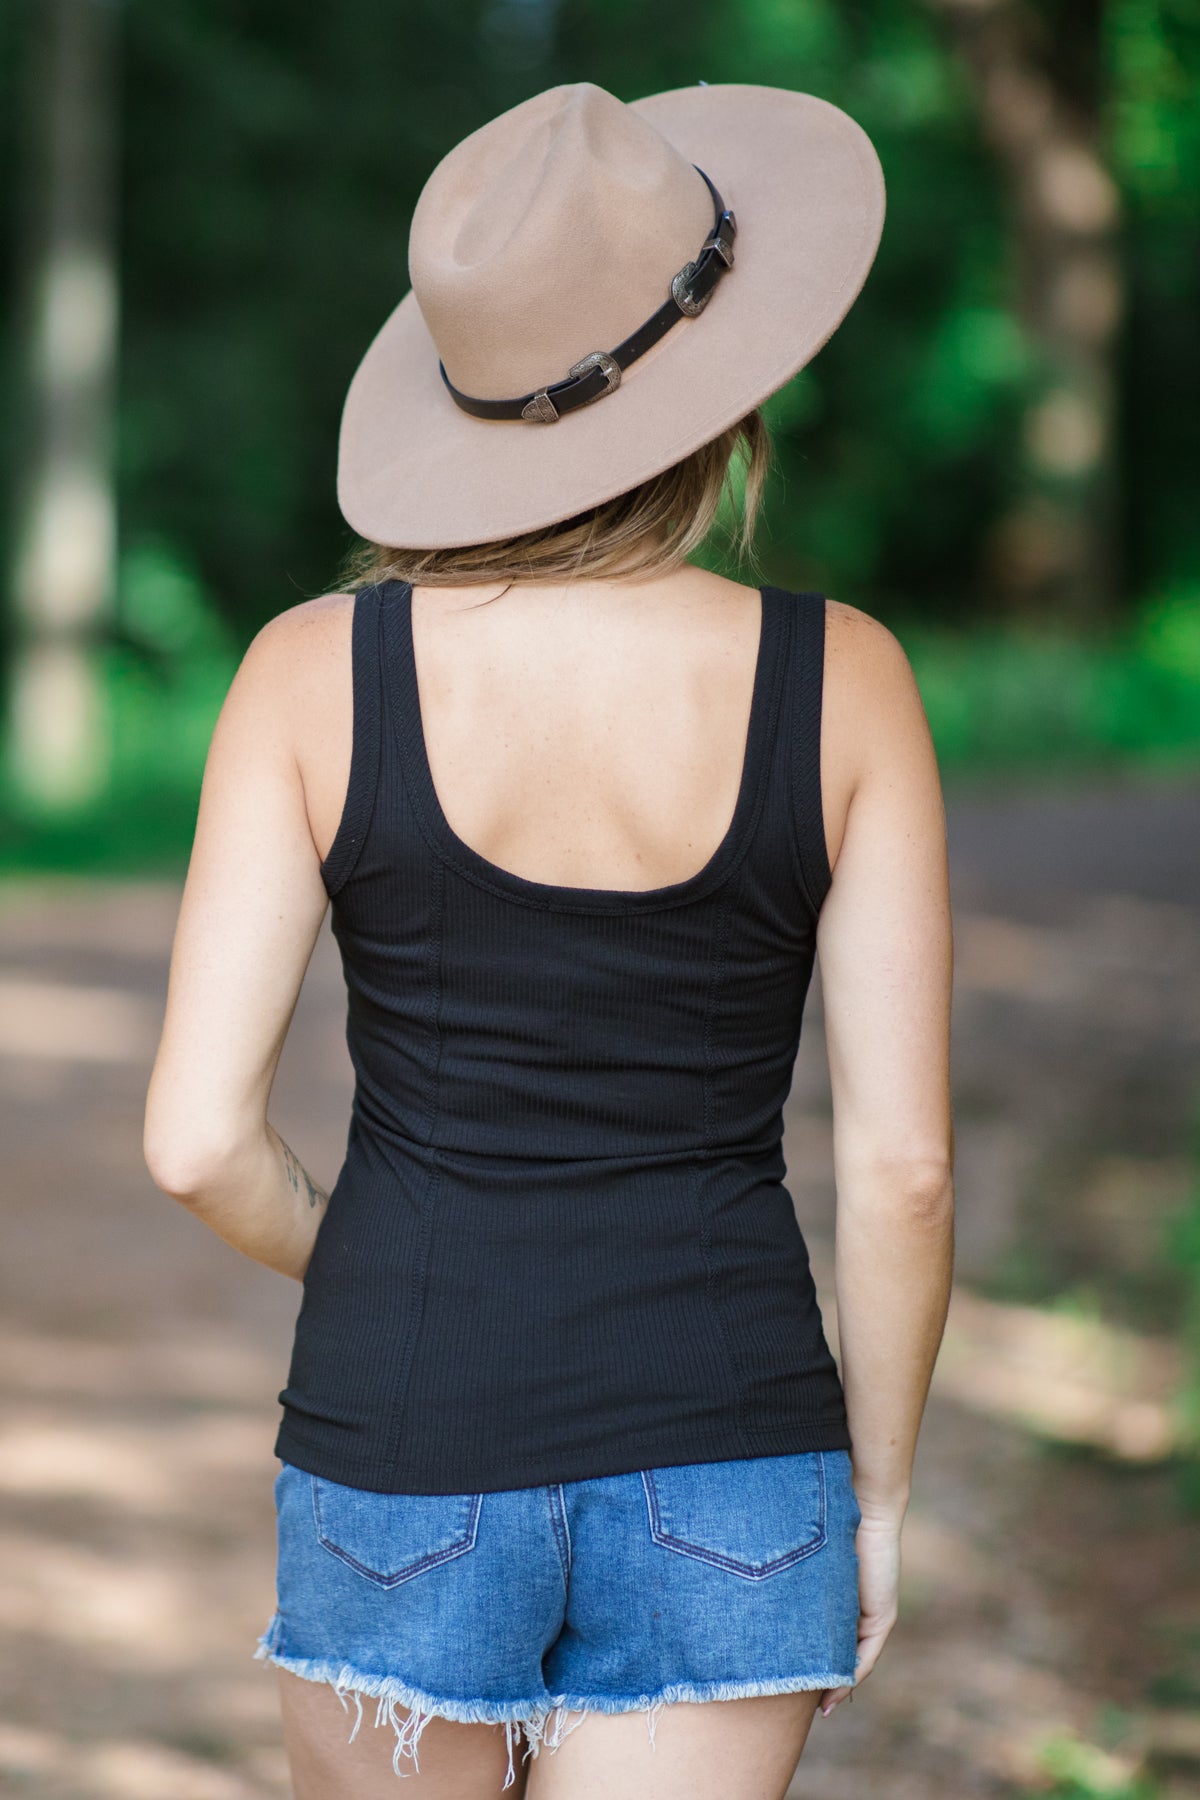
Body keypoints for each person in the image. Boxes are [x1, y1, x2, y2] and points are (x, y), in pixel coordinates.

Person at [144, 78, 954, 1800]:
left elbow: (197, 1141)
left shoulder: (311, 673)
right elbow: (903, 1173)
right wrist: (872, 1501)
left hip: (407, 1434)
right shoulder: (848, 680)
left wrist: (387, 1254)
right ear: (728, 397)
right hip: (738, 1461)